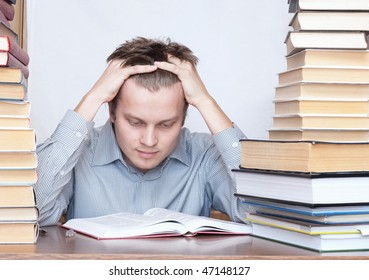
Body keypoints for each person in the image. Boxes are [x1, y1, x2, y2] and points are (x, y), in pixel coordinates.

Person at [34, 37, 246, 226]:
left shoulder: (204, 155)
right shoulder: (80, 152)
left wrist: (205, 102)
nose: (149, 140)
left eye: (166, 124)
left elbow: (256, 214)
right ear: (112, 111)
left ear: (182, 118)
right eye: (135, 122)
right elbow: (35, 213)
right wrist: (92, 98)